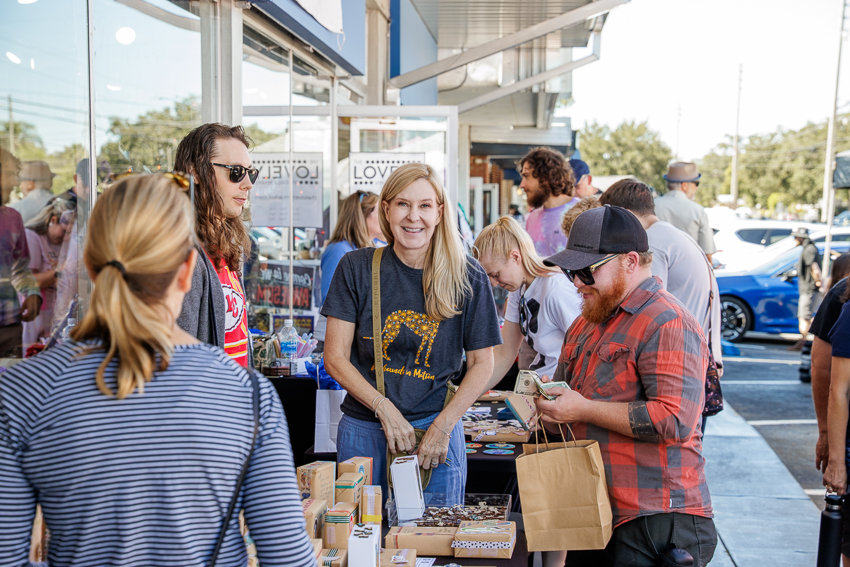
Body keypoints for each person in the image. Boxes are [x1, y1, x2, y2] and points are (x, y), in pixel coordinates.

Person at [0, 174, 315, 566]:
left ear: (90, 267)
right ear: (187, 270)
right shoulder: (246, 394)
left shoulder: (19, 391)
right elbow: (287, 558)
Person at [538, 205, 715, 567]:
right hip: (595, 508)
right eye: (572, 271)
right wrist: (549, 409)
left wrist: (582, 408)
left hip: (655, 517)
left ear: (630, 261)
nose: (576, 282)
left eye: (586, 271)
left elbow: (673, 420)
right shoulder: (587, 321)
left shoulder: (667, 321)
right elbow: (567, 403)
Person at [322, 163, 502, 504]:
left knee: (432, 543)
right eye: (402, 204)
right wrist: (384, 409)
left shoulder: (468, 274)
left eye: (424, 206)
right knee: (361, 543)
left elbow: (482, 363)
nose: (412, 217)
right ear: (386, 209)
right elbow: (334, 357)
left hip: (434, 431)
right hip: (364, 428)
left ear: (439, 212)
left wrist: (444, 425)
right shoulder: (357, 267)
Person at [599, 180, 724, 395]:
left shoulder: (652, 241)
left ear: (625, 214)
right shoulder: (670, 234)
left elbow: (646, 305)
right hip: (693, 354)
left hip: (679, 360)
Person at [174, 123, 257, 366]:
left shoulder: (227, 243)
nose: (247, 184)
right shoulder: (181, 252)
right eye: (235, 172)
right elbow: (179, 359)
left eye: (250, 173)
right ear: (195, 173)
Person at [473, 216, 581, 387]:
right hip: (542, 390)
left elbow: (587, 348)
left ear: (515, 257)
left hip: (562, 393)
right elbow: (504, 352)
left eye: (495, 274)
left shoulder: (556, 289)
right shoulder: (519, 289)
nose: (494, 283)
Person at [315, 190, 385, 348]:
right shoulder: (339, 249)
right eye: (379, 210)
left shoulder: (371, 249)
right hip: (332, 340)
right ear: (362, 215)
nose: (385, 216)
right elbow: (331, 299)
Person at [0, 148, 41, 357]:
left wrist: (32, 293)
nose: (15, 183)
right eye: (9, 174)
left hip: (8, 327)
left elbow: (20, 269)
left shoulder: (13, 218)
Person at [22, 199, 73, 349]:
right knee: (33, 349)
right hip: (36, 309)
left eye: (71, 233)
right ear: (53, 220)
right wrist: (62, 270)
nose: (67, 238)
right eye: (65, 231)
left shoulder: (62, 241)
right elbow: (32, 281)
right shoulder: (32, 236)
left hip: (56, 308)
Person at [521, 147, 578, 257]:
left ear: (546, 177)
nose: (522, 184)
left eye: (527, 176)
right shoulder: (532, 218)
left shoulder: (581, 213)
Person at [654, 162, 717, 261]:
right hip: (690, 273)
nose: (697, 188)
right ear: (684, 185)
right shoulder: (698, 211)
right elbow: (707, 254)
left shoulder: (651, 207)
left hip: (655, 273)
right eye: (696, 183)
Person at [787, 227, 823, 351]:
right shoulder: (810, 248)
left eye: (795, 237)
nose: (794, 239)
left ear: (801, 238)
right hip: (809, 288)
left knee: (804, 316)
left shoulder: (809, 249)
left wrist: (818, 280)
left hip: (809, 288)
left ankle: (804, 342)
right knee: (808, 316)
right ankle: (806, 341)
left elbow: (814, 267)